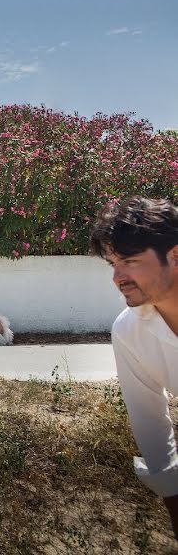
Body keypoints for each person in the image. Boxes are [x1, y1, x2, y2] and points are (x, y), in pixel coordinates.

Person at [90, 196, 178, 538]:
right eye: (113, 263)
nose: (117, 277)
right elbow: (150, 423)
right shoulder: (130, 331)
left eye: (129, 260)